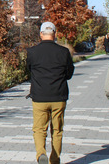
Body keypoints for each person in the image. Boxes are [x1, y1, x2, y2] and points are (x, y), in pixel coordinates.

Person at [26, 21, 74, 164]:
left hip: (39, 96)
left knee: (39, 129)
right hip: (59, 96)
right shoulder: (64, 52)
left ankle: (41, 153)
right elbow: (69, 73)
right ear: (55, 34)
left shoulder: (32, 52)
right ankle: (55, 159)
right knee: (57, 130)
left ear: (41, 34)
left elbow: (29, 70)